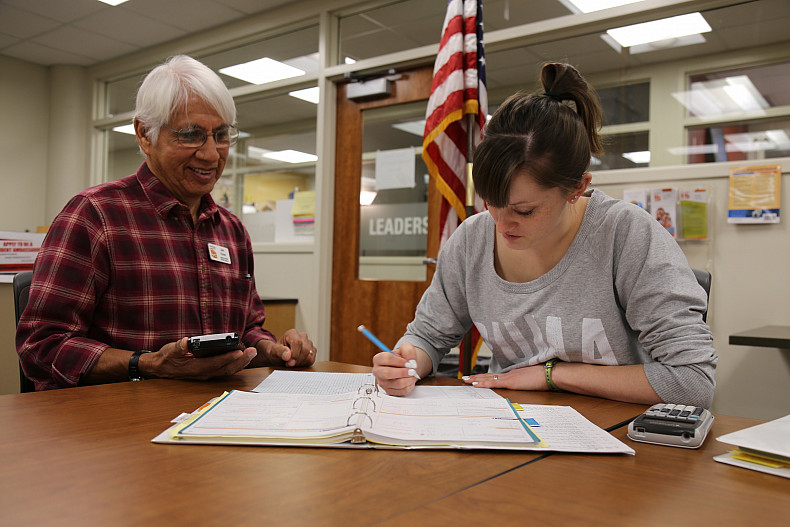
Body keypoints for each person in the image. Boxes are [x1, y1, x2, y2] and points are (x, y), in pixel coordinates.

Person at [372, 62, 716, 408]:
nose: (502, 224)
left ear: (576, 188)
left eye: (524, 211)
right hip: (513, 422)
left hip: (618, 434)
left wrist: (550, 374)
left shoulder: (625, 235)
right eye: (491, 203)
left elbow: (692, 380)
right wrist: (408, 361)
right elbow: (428, 336)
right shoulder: (472, 240)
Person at [16, 55, 316, 390]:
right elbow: (41, 346)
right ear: (145, 135)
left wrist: (271, 349)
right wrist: (148, 364)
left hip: (218, 415)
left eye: (220, 135)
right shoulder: (95, 215)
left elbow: (246, 330)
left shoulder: (231, 231)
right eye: (191, 135)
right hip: (120, 422)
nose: (211, 154)